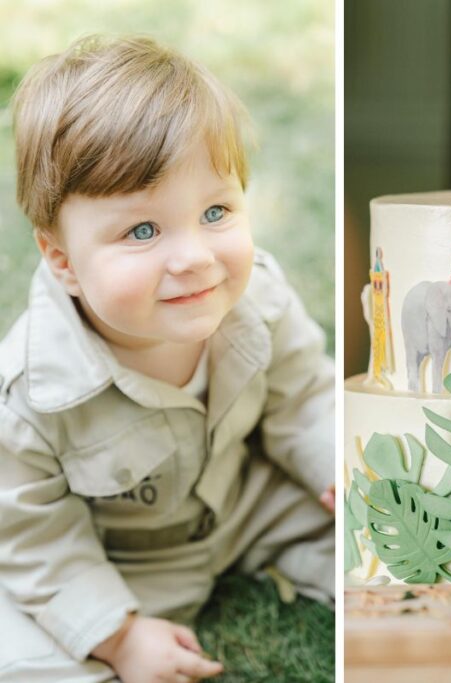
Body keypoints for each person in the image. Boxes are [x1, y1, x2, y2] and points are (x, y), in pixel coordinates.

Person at [0, 36, 335, 682]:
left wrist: (331, 464)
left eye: (215, 211)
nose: (194, 257)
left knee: (373, 537)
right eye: (143, 231)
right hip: (117, 557)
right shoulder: (29, 394)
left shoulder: (257, 298)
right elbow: (33, 535)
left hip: (240, 506)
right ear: (62, 260)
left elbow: (304, 396)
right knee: (29, 655)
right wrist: (119, 635)